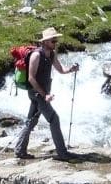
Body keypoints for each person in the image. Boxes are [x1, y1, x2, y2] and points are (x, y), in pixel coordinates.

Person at [15, 27, 80, 162]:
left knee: (31, 121)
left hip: (43, 94)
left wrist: (71, 69)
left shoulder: (51, 54)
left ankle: (20, 150)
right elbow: (31, 78)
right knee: (54, 119)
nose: (55, 43)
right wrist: (45, 95)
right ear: (45, 42)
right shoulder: (36, 55)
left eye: (56, 40)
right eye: (53, 41)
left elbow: (61, 70)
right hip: (37, 94)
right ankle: (62, 153)